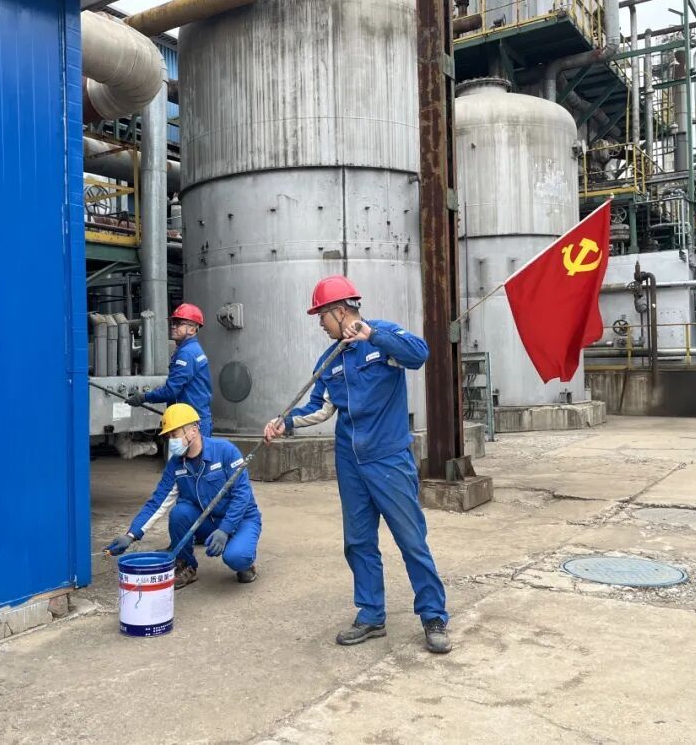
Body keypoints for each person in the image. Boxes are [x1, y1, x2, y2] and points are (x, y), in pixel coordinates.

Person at [263, 275, 451, 654]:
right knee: (359, 542)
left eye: (321, 316)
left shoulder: (381, 337)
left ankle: (433, 616)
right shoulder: (329, 360)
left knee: (411, 539)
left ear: (339, 311)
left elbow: (419, 354)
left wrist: (372, 335)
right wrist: (286, 422)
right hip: (350, 461)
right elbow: (320, 408)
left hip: (388, 457)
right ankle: (371, 614)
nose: (320, 324)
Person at [107, 403, 261, 588]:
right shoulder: (176, 464)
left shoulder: (225, 451)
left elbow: (242, 495)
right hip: (208, 519)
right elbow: (157, 502)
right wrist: (131, 535)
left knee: (236, 557)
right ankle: (186, 564)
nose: (171, 441)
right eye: (169, 437)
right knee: (180, 512)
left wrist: (226, 529)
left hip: (242, 519)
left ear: (193, 430)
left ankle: (246, 562)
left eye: (175, 435)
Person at [128, 304, 213, 436]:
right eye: (173, 322)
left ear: (192, 329)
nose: (173, 326)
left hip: (190, 424)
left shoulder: (186, 354)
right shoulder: (191, 349)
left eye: (179, 323)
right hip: (194, 419)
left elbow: (171, 392)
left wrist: (143, 397)